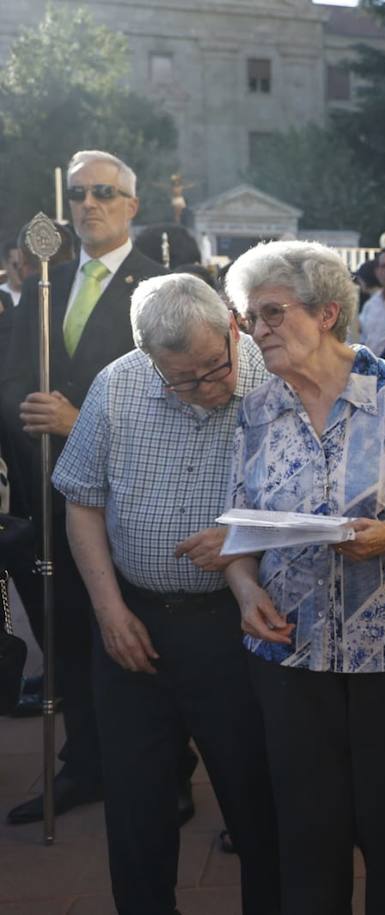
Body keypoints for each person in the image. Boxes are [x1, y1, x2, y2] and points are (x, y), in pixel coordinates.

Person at [222, 240, 385, 914]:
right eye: (249, 317)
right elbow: (238, 528)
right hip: (291, 652)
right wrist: (245, 590)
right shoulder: (253, 408)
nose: (257, 330)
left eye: (273, 312)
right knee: (306, 840)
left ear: (327, 311)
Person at [51, 272, 280, 914]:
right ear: (149, 358)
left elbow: (312, 505)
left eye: (215, 367)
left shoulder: (273, 380)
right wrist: (109, 611)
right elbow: (83, 503)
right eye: (184, 378)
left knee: (255, 796)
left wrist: (241, 536)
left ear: (233, 328)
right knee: (135, 805)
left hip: (235, 626)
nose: (208, 389)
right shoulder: (118, 384)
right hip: (134, 619)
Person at [0, 150, 167, 824]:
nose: (89, 203)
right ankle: (86, 764)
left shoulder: (163, 285)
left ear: (132, 203)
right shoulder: (48, 280)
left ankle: (165, 771)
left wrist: (80, 423)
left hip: (130, 502)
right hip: (48, 497)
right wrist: (31, 421)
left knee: (134, 637)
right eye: (78, 193)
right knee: (65, 635)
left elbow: (173, 389)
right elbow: (11, 377)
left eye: (104, 192)